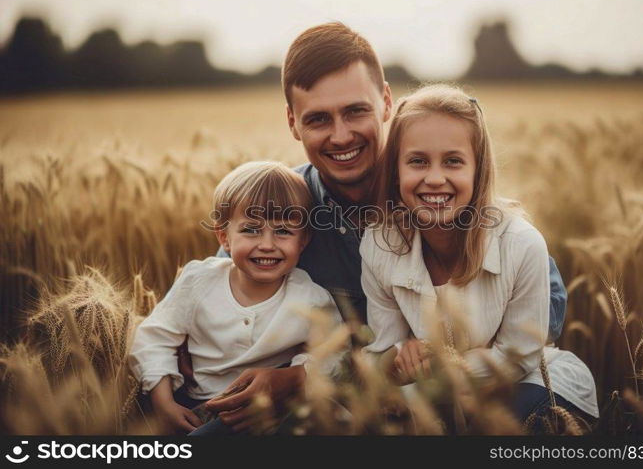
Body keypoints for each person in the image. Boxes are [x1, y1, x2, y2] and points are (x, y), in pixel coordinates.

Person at [205, 22, 568, 428]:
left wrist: (436, 358)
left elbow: (546, 307)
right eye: (319, 119)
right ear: (292, 122)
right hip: (306, 404)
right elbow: (218, 295)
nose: (341, 136)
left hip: (412, 398)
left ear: (386, 102)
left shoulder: (438, 196)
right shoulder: (279, 205)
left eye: (355, 111)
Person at [360, 85, 598, 425]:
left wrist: (444, 367)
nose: (435, 178)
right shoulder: (379, 244)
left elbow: (519, 356)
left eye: (453, 161)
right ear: (396, 171)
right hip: (435, 390)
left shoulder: (521, 243)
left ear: (478, 169)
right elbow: (384, 350)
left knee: (498, 424)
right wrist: (398, 359)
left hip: (528, 381)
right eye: (417, 161)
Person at [129, 161, 344, 434]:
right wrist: (164, 403)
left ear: (303, 241)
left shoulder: (310, 298)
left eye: (283, 231)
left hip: (273, 413)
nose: (267, 244)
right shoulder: (198, 281)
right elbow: (153, 339)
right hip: (198, 408)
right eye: (251, 229)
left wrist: (299, 374)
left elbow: (335, 353)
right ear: (224, 237)